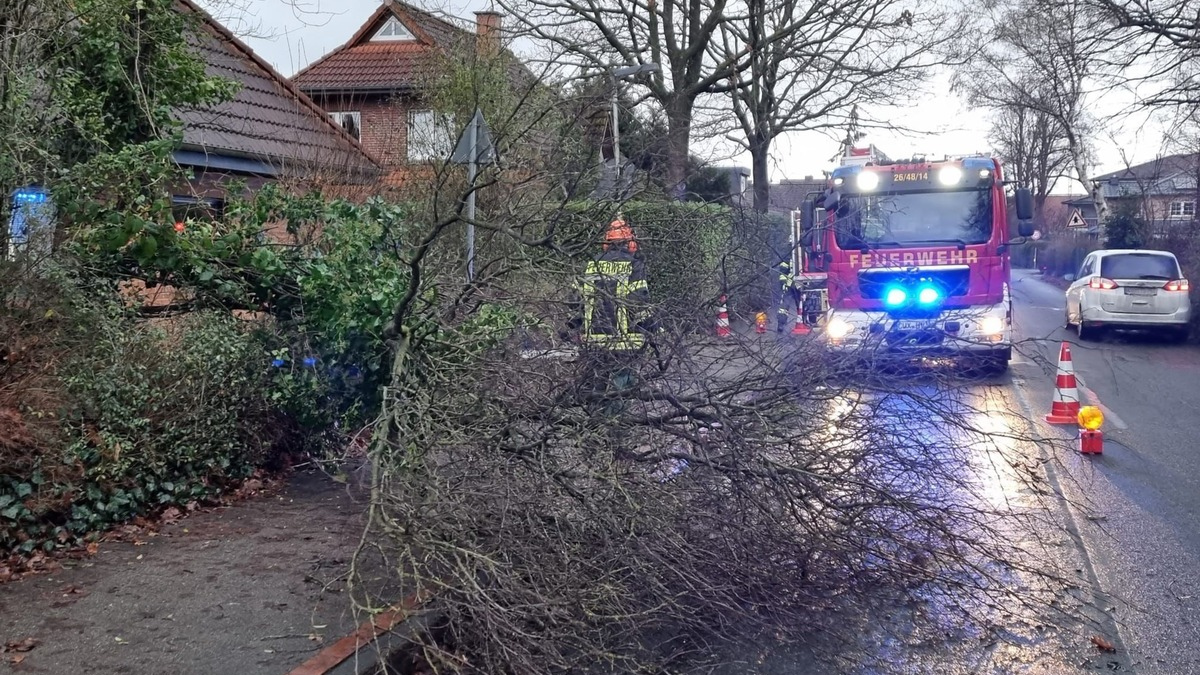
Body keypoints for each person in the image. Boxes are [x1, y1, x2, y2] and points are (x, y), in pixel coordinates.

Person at [777, 260, 801, 331]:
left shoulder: (805, 253)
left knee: (803, 304)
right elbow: (782, 271)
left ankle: (806, 322)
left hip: (800, 283)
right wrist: (784, 283)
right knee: (784, 306)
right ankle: (781, 324)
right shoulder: (787, 257)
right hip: (789, 285)